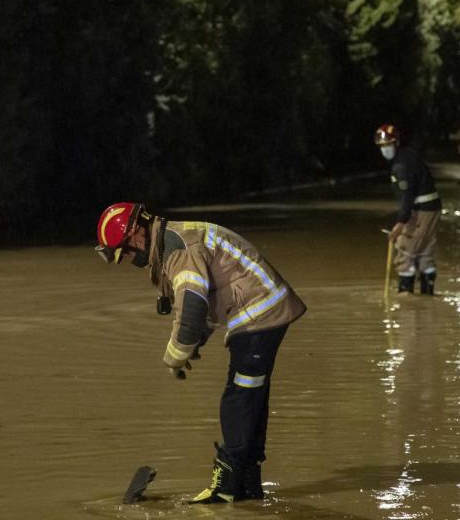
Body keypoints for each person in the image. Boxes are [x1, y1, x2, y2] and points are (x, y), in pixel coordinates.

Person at [94, 203, 306, 504]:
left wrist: (175, 355)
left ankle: (226, 488)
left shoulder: (178, 250)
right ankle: (247, 484)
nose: (128, 260)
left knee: (238, 398)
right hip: (262, 310)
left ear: (137, 234)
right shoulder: (172, 242)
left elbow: (192, 306)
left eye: (124, 253)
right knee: (250, 395)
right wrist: (193, 345)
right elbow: (205, 305)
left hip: (259, 313)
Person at [375, 124, 442, 295]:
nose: (385, 149)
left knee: (405, 251)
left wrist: (400, 223)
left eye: (388, 145)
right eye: (382, 146)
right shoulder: (408, 156)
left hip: (422, 211)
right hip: (429, 209)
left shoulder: (401, 166)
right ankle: (427, 301)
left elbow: (407, 196)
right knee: (425, 252)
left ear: (396, 143)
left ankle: (406, 303)